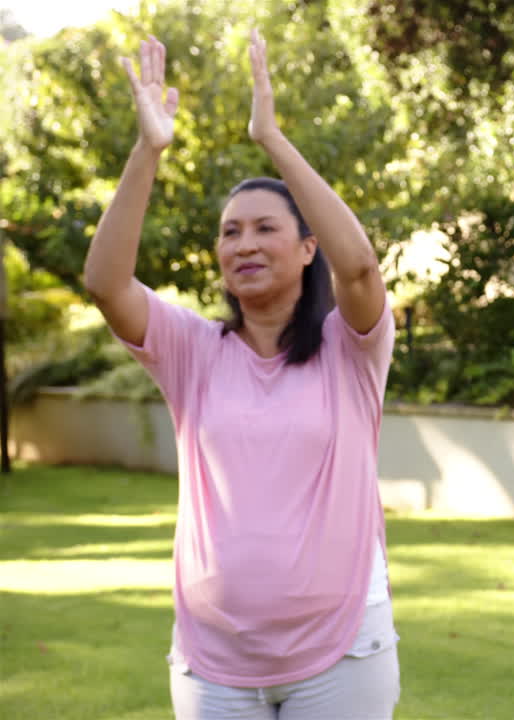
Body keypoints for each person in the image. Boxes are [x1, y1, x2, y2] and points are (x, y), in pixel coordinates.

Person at [83, 30, 400, 719]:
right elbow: (106, 284)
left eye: (264, 228)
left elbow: (360, 270)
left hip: (342, 653)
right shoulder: (190, 350)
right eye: (230, 232)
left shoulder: (352, 348)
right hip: (213, 664)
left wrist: (273, 140)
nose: (244, 243)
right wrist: (148, 150)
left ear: (306, 247)